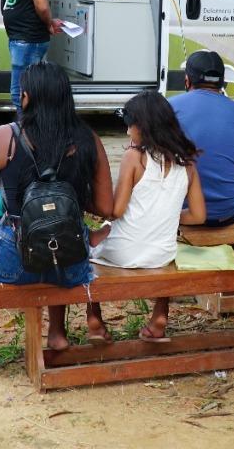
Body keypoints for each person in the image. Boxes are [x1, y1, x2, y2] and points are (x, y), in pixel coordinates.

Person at [0, 62, 114, 373]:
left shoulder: (5, 137)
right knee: (57, 243)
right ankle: (57, 334)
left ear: (27, 98)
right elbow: (105, 207)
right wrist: (69, 203)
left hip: (13, 257)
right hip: (71, 263)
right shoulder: (88, 139)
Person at [85, 91, 208, 343]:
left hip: (123, 252)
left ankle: (94, 319)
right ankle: (159, 316)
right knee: (163, 250)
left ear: (143, 126)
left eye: (130, 125)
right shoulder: (187, 163)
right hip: (160, 254)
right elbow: (198, 215)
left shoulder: (135, 157)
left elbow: (116, 211)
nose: (128, 132)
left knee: (83, 250)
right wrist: (168, 215)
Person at [169, 51, 234, 227]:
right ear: (222, 82)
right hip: (226, 212)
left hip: (179, 210)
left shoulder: (168, 107)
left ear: (187, 80)